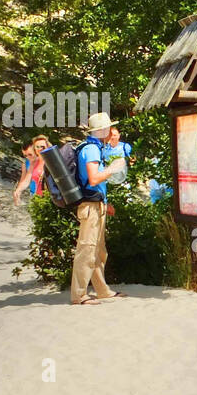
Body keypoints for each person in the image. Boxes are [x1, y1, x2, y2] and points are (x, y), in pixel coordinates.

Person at [71, 112, 127, 306]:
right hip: (91, 207)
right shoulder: (92, 150)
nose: (111, 131)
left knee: (98, 251)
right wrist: (113, 167)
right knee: (87, 250)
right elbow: (94, 178)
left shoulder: (92, 147)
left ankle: (102, 290)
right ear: (102, 130)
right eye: (109, 128)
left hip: (97, 204)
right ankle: (79, 295)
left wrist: (105, 201)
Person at [12, 135, 50, 207]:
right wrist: (18, 191)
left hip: (48, 198)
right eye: (25, 156)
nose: (28, 158)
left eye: (30, 154)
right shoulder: (31, 164)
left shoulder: (47, 161)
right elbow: (26, 180)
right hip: (36, 197)